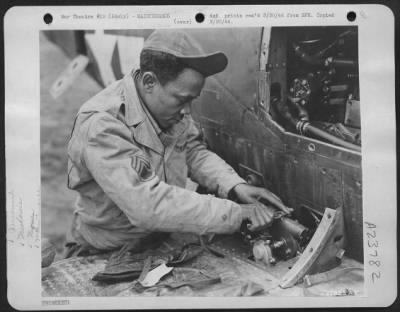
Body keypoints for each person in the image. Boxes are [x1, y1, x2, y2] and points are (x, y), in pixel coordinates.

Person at [65, 29, 290, 254]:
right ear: (149, 81)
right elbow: (147, 206)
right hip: (105, 250)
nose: (187, 111)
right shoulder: (102, 125)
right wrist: (236, 213)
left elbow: (191, 150)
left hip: (161, 238)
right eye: (182, 100)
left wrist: (234, 185)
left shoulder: (169, 109)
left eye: (192, 100)